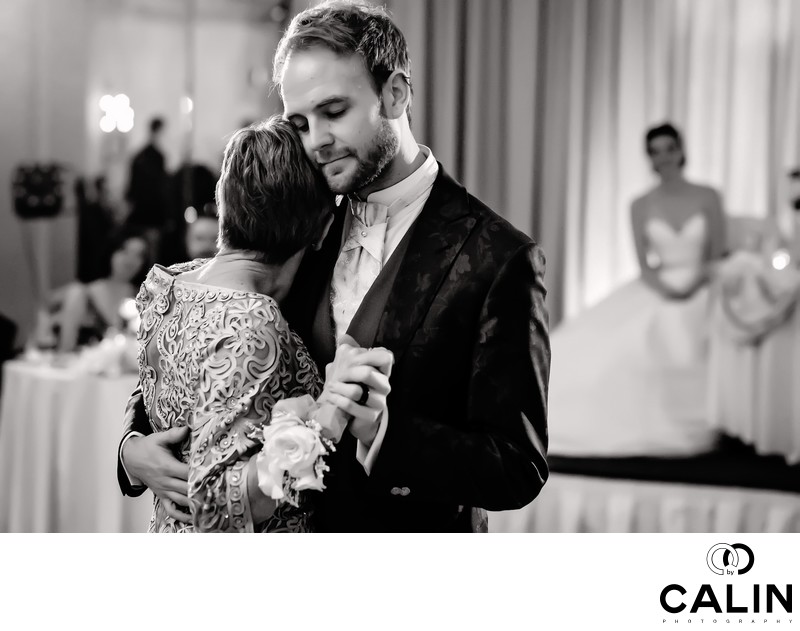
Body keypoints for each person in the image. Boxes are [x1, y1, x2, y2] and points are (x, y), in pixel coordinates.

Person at [118, 0, 550, 532]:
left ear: (395, 93)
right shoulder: (303, 218)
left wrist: (385, 435)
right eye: (299, 122)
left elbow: (517, 466)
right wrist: (131, 450)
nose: (315, 141)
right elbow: (209, 347)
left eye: (334, 111)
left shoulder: (499, 257)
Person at [134, 117, 391, 532]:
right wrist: (322, 418)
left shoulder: (168, 284)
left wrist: (131, 448)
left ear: (225, 201)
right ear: (325, 228)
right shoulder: (252, 322)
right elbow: (215, 511)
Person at [548, 122, 727, 457]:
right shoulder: (641, 203)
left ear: (681, 150)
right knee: (605, 344)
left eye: (669, 149)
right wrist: (668, 291)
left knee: (679, 335)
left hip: (704, 283)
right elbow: (645, 265)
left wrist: (693, 286)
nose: (663, 158)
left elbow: (717, 254)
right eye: (655, 152)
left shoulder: (708, 196)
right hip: (659, 284)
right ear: (649, 158)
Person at [53, 230, 149, 352]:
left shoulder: (145, 299)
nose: (130, 260)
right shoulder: (83, 293)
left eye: (139, 255)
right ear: (111, 252)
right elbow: (65, 349)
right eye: (124, 251)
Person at [125, 117, 169, 252]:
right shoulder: (154, 156)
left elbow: (132, 187)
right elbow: (160, 187)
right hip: (151, 210)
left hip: (142, 209)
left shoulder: (140, 155)